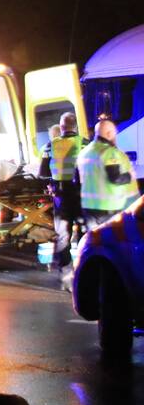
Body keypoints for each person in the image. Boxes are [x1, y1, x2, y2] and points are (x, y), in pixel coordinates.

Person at [77, 119, 140, 233]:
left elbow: (76, 179)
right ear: (109, 133)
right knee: (112, 240)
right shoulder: (109, 152)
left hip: (88, 207)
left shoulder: (84, 152)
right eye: (115, 133)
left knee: (94, 239)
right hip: (108, 209)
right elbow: (115, 178)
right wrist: (130, 176)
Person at [49, 113, 85, 290]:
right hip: (80, 195)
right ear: (75, 126)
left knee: (63, 236)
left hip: (60, 196)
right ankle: (84, 271)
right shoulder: (84, 143)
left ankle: (65, 276)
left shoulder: (51, 145)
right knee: (83, 234)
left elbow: (43, 172)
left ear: (61, 127)